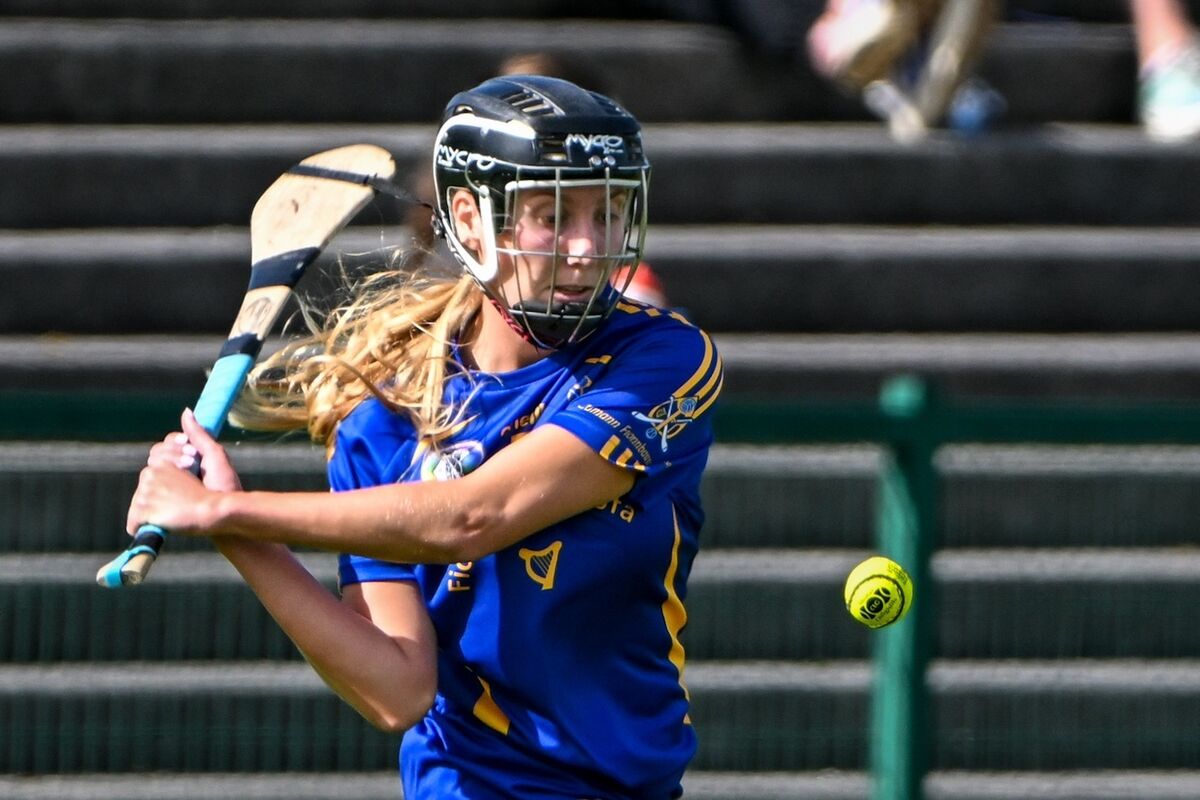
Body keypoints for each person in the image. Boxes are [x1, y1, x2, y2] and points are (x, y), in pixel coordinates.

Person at [126, 75, 722, 799]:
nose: (586, 247)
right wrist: (237, 530)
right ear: (470, 219)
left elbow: (475, 516)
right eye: (553, 214)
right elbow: (396, 691)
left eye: (610, 211)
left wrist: (229, 512)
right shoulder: (382, 419)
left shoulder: (662, 360)